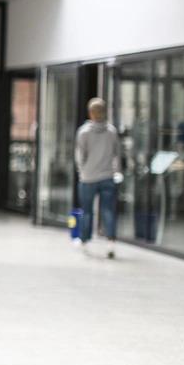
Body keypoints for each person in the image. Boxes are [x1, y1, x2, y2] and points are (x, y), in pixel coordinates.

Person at [74, 98, 121, 258]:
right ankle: (111, 242)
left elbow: (80, 156)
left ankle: (85, 240)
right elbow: (117, 154)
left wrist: (82, 171)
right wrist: (116, 171)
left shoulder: (84, 132)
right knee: (108, 210)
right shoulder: (112, 131)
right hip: (108, 176)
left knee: (87, 211)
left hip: (88, 177)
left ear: (90, 113)